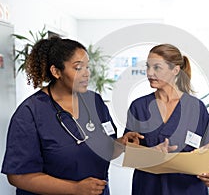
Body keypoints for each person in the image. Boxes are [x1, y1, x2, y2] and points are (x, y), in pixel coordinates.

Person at [1, 36, 143, 195]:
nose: (86, 74)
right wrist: (74, 189)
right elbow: (17, 175)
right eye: (78, 68)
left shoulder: (94, 102)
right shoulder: (30, 112)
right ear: (56, 71)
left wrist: (120, 144)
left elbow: (106, 150)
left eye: (87, 67)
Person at [124, 44, 209, 195]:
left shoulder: (196, 108)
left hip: (187, 189)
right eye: (147, 67)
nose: (149, 73)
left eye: (157, 68)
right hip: (149, 188)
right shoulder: (139, 107)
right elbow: (129, 152)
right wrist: (150, 154)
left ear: (175, 70)